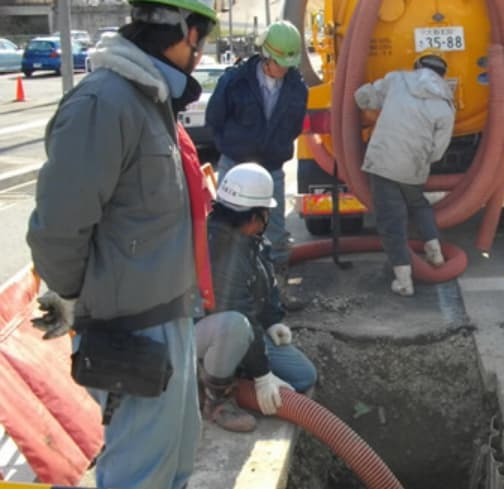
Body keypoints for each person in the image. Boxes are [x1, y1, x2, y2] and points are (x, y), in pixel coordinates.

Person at [26, 0, 218, 487]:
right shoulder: (106, 103)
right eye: (202, 37)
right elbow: (58, 226)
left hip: (170, 320)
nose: (201, 52)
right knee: (140, 475)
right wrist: (72, 296)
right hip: (131, 333)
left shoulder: (150, 102)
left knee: (173, 467)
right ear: (181, 31)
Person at [196, 163, 317, 432]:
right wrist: (263, 377)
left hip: (245, 331)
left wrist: (273, 320)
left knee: (303, 376)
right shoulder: (219, 250)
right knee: (235, 326)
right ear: (254, 216)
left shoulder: (252, 240)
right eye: (266, 212)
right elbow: (240, 315)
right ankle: (217, 399)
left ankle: (231, 375)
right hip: (208, 336)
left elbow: (267, 283)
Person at [205, 20, 308, 269]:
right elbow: (214, 119)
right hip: (235, 166)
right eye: (279, 63)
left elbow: (294, 128)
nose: (283, 70)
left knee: (275, 234)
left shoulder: (297, 88)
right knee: (229, 230)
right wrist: (234, 147)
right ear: (265, 55)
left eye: (287, 65)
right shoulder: (235, 81)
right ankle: (228, 292)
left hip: (272, 170)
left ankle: (275, 290)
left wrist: (275, 148)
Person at [353, 54, 455, 296]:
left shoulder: (397, 80)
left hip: (384, 163)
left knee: (392, 223)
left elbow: (362, 98)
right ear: (442, 77)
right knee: (418, 205)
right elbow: (438, 151)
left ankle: (404, 282)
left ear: (416, 68)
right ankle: (435, 252)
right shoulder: (446, 106)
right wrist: (418, 161)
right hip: (414, 169)